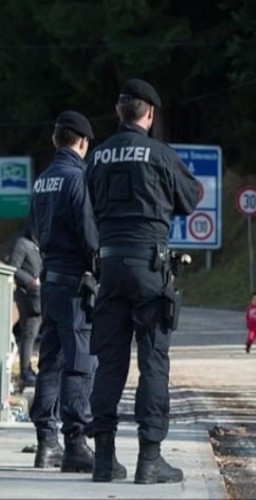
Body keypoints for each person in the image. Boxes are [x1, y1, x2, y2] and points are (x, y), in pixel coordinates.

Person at [85, 79, 199, 484]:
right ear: (149, 114)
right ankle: (149, 460)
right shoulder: (160, 154)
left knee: (109, 363)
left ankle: (103, 460)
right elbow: (192, 198)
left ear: (119, 112)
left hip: (109, 267)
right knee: (152, 361)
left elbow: (88, 208)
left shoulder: (96, 157)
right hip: (150, 268)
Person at [27, 110, 100, 474]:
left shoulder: (42, 180)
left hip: (49, 278)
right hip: (74, 281)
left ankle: (46, 443)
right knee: (79, 361)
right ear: (83, 142)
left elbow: (33, 230)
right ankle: (76, 443)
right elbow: (90, 235)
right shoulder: (77, 179)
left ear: (56, 140)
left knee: (50, 361)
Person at [7, 225, 42, 388]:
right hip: (28, 296)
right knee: (28, 334)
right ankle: (25, 371)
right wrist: (30, 281)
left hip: (39, 297)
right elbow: (13, 268)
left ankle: (28, 369)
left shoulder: (37, 247)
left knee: (33, 334)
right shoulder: (22, 244)